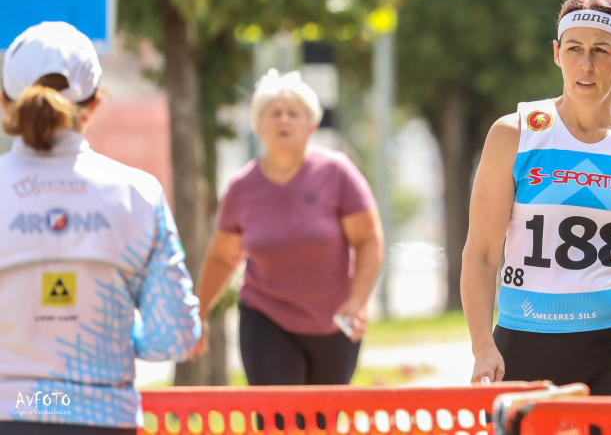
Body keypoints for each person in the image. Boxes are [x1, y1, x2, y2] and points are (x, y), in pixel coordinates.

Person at [462, 0, 611, 397]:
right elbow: (481, 255)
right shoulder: (515, 134)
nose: (586, 65)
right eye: (574, 49)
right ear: (556, 53)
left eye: (601, 50)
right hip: (527, 333)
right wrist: (482, 347)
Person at [0, 22, 201, 434]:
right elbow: (175, 336)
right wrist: (121, 331)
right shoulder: (139, 195)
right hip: (104, 415)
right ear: (95, 103)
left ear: (5, 102)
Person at [192, 70, 384, 386]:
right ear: (258, 126)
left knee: (323, 415)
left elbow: (368, 240)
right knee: (277, 413)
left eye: (293, 114)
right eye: (274, 113)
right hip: (265, 316)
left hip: (334, 321)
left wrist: (358, 300)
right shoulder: (242, 187)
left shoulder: (337, 173)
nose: (284, 120)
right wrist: (198, 314)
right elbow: (223, 256)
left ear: (311, 125)